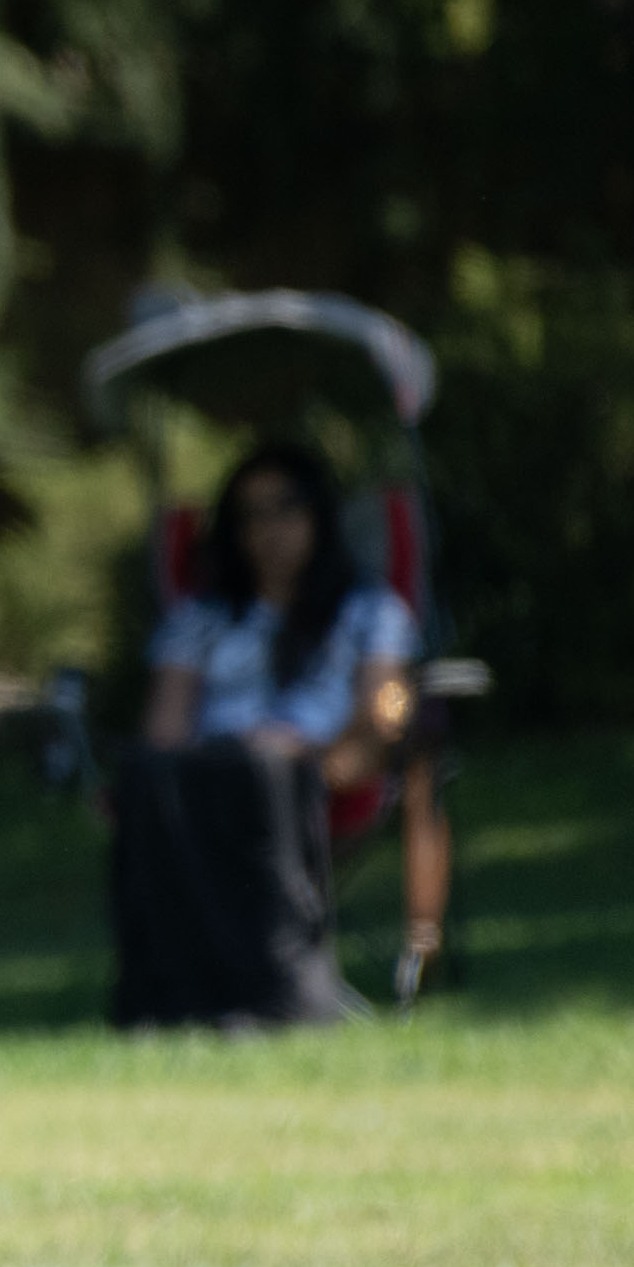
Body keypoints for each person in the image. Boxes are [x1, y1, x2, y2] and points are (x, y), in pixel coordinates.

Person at [110, 440, 444, 1026]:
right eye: (251, 516)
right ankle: (171, 992)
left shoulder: (373, 612)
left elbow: (388, 710)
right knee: (153, 777)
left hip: (324, 778)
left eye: (287, 508)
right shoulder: (199, 621)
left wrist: (308, 756)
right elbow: (164, 735)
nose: (270, 529)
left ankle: (283, 988)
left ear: (320, 516)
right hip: (209, 792)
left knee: (277, 769)